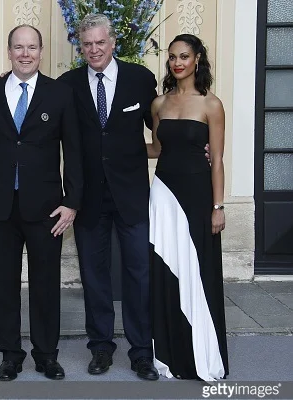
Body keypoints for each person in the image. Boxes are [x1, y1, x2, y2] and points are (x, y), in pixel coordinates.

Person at [0, 24, 83, 382]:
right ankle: (10, 355)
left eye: (32, 47)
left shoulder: (60, 94)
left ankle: (47, 355)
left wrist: (72, 201)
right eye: (19, 47)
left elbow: (75, 152)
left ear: (41, 51)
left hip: (47, 207)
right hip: (0, 205)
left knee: (46, 283)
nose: (25, 53)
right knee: (2, 284)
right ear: (9, 51)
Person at [57, 13, 159, 380]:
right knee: (94, 276)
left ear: (113, 42)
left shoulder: (140, 79)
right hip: (87, 197)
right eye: (87, 44)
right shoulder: (67, 84)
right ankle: (100, 348)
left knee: (139, 274)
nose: (94, 50)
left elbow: (163, 125)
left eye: (100, 42)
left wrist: (197, 148)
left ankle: (142, 352)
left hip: (131, 194)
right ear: (79, 47)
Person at [148, 34, 228, 382]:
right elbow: (156, 149)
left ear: (197, 59)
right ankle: (171, 353)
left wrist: (218, 206)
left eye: (184, 56)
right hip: (164, 194)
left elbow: (218, 161)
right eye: (172, 57)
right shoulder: (159, 104)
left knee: (199, 272)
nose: (177, 63)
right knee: (166, 271)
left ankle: (202, 356)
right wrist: (113, 147)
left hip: (197, 198)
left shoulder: (212, 105)